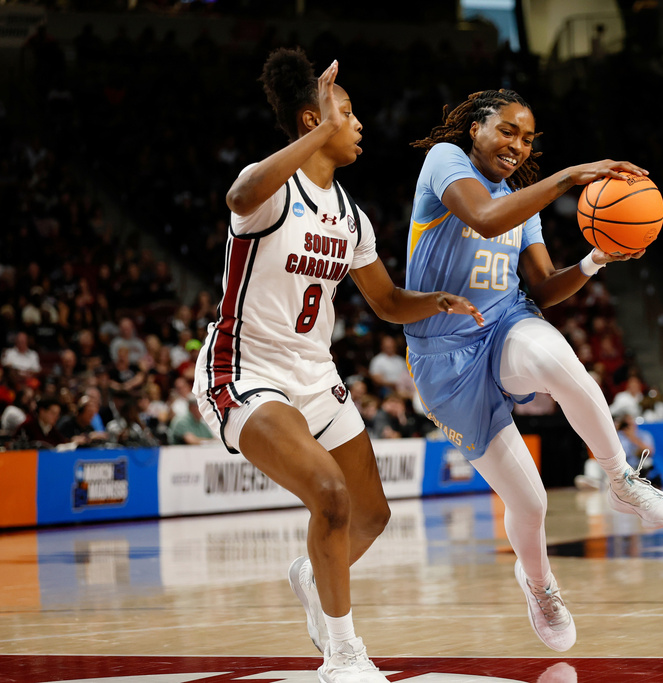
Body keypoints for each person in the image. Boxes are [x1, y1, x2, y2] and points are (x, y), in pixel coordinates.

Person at [191, 48, 483, 683]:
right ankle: (343, 655)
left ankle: (311, 572)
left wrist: (434, 301)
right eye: (345, 115)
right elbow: (237, 193)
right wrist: (322, 129)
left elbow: (384, 301)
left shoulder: (349, 214)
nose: (358, 127)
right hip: (245, 369)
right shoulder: (270, 191)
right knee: (328, 495)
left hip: (314, 373)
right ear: (310, 121)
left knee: (371, 513)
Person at [404, 88, 663, 651]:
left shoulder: (518, 201)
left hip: (504, 322)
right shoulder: (445, 163)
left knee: (559, 357)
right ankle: (540, 585)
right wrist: (569, 176)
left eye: (527, 138)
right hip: (443, 354)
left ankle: (620, 479)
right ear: (476, 128)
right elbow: (482, 219)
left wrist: (595, 260)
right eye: (508, 130)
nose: (517, 145)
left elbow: (542, 288)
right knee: (530, 502)